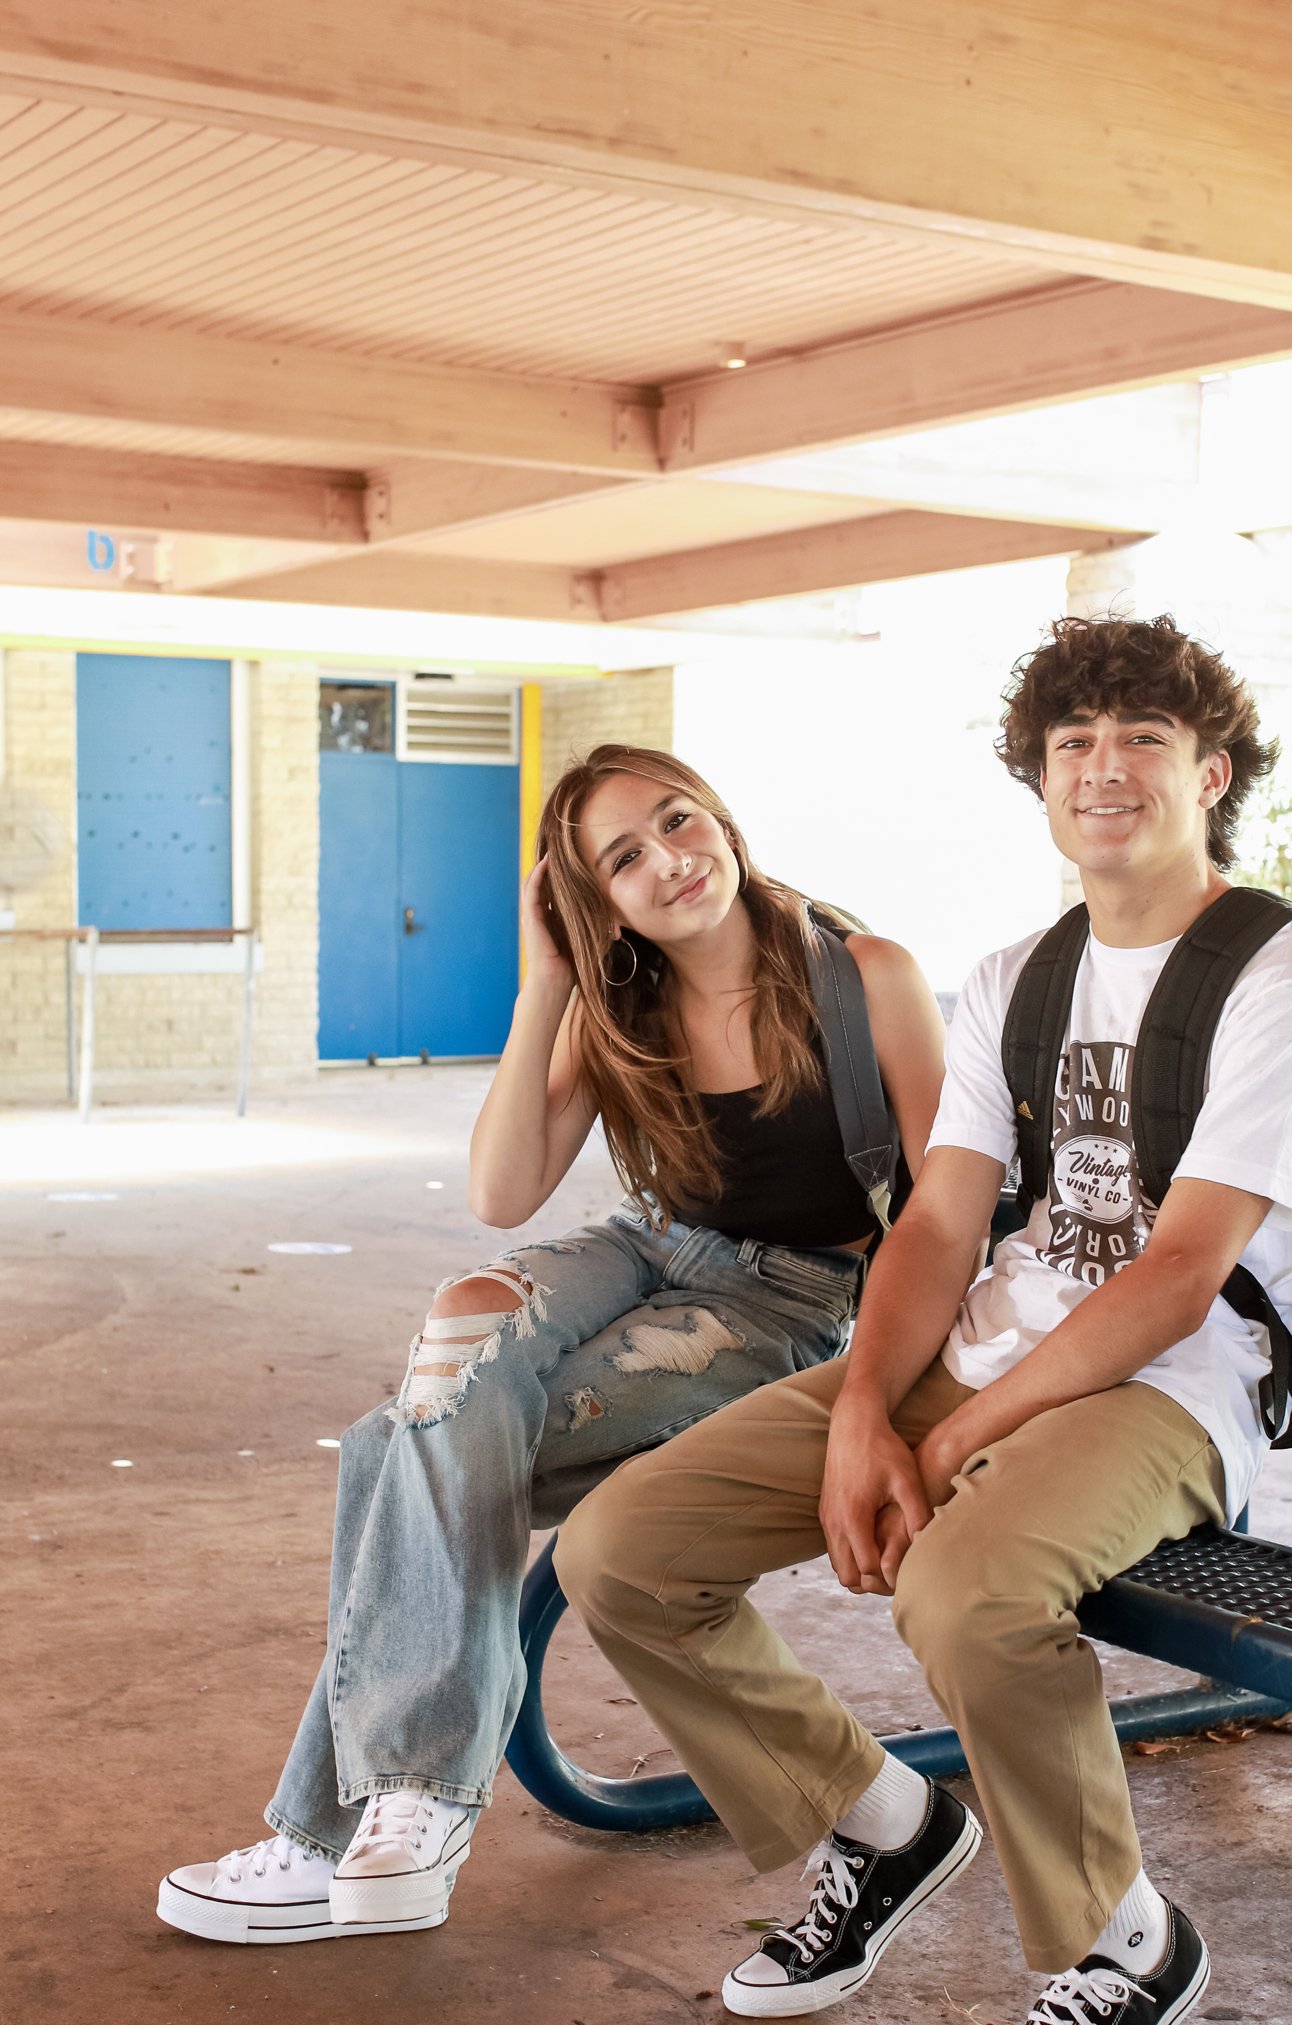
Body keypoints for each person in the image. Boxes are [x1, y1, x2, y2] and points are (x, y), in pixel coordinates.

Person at [558, 616, 1292, 2025]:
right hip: (989, 1347)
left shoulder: (1278, 981)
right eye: (1071, 744)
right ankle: (874, 1822)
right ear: (1039, 782)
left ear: (1210, 773)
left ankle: (1114, 1943)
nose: (1102, 767)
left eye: (1138, 738)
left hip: (1169, 1391)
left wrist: (959, 1439)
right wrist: (868, 1408)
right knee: (621, 1552)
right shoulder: (1019, 975)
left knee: (964, 1595)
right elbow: (940, 1216)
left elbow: (1178, 1272)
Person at [158, 744, 945, 1948]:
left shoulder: (862, 974)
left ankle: (336, 1831)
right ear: (596, 902)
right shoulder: (615, 1006)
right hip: (649, 1244)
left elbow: (944, 1208)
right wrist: (543, 984)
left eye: (678, 823)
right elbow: (500, 1190)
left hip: (791, 1301)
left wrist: (879, 1395)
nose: (668, 861)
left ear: (721, 818)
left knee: (410, 1457)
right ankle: (410, 1801)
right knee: (459, 1331)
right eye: (622, 859)